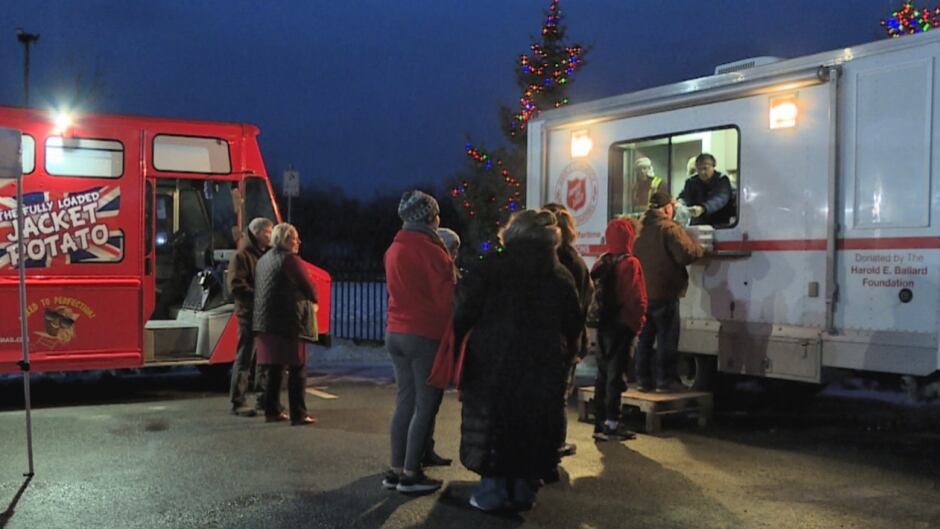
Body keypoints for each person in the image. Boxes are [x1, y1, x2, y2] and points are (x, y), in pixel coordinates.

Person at [454, 209, 582, 512]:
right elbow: (573, 322)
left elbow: (463, 309)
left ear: (512, 233)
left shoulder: (493, 266)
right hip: (543, 363)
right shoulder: (560, 274)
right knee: (532, 423)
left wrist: (460, 339)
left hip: (493, 362)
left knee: (496, 424)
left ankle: (493, 492)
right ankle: (523, 490)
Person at [381, 190, 455, 494]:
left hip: (395, 331)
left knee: (405, 402)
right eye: (435, 215)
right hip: (424, 334)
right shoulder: (433, 251)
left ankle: (395, 469)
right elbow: (445, 301)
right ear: (428, 218)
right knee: (426, 405)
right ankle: (412, 473)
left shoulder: (393, 249)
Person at [633, 191, 705, 393]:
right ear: (667, 208)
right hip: (665, 292)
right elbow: (686, 255)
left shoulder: (640, 227)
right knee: (666, 338)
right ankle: (665, 381)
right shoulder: (669, 228)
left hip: (644, 293)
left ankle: (643, 380)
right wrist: (701, 248)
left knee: (645, 339)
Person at [252, 223, 317, 426]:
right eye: (293, 238)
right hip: (288, 321)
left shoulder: (263, 260)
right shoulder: (290, 260)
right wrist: (314, 300)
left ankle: (272, 411)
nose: (298, 242)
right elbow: (308, 287)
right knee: (298, 367)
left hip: (266, 321)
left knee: (275, 368)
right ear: (283, 240)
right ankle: (299, 414)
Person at [590, 216, 648, 440]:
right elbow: (636, 299)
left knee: (603, 375)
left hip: (604, 325)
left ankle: (599, 422)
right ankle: (613, 423)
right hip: (622, 325)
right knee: (617, 375)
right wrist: (637, 325)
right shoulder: (630, 263)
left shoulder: (602, 261)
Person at [543, 204, 592, 461]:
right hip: (563, 339)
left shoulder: (536, 259)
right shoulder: (573, 262)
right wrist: (577, 342)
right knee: (559, 394)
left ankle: (543, 442)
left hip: (541, 339)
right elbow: (581, 304)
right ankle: (554, 445)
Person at [227, 217, 273, 417]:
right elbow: (236, 286)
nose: (270, 236)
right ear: (257, 232)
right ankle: (238, 400)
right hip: (249, 313)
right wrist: (260, 295)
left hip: (262, 313)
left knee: (263, 358)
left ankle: (262, 398)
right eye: (267, 232)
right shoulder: (243, 256)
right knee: (245, 358)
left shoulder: (262, 254)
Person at [678, 153, 735, 226]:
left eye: (705, 168)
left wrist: (703, 208)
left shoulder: (722, 180)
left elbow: (720, 199)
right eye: (699, 169)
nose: (702, 172)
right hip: (698, 225)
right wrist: (680, 204)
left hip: (719, 224)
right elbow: (684, 197)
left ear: (713, 166)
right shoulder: (691, 182)